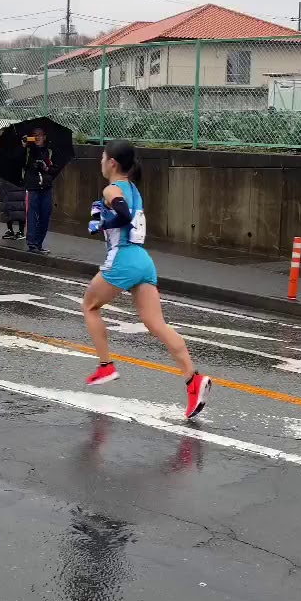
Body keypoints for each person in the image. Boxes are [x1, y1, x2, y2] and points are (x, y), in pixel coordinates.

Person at [81, 139, 211, 420]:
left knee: (90, 306)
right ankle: (193, 379)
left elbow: (124, 217)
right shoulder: (134, 190)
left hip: (124, 259)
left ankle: (106, 365)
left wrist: (102, 222)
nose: (101, 162)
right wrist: (102, 215)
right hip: (143, 261)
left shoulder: (111, 188)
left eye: (103, 157)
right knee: (157, 324)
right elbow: (128, 213)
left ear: (112, 162)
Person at [23, 127, 59, 254]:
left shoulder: (49, 151)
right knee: (32, 215)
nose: (37, 137)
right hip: (32, 187)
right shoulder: (28, 150)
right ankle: (32, 243)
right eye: (34, 135)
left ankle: (39, 243)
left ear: (45, 136)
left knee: (45, 215)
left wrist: (46, 168)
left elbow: (56, 169)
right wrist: (23, 145)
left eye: (40, 135)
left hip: (46, 187)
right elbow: (18, 161)